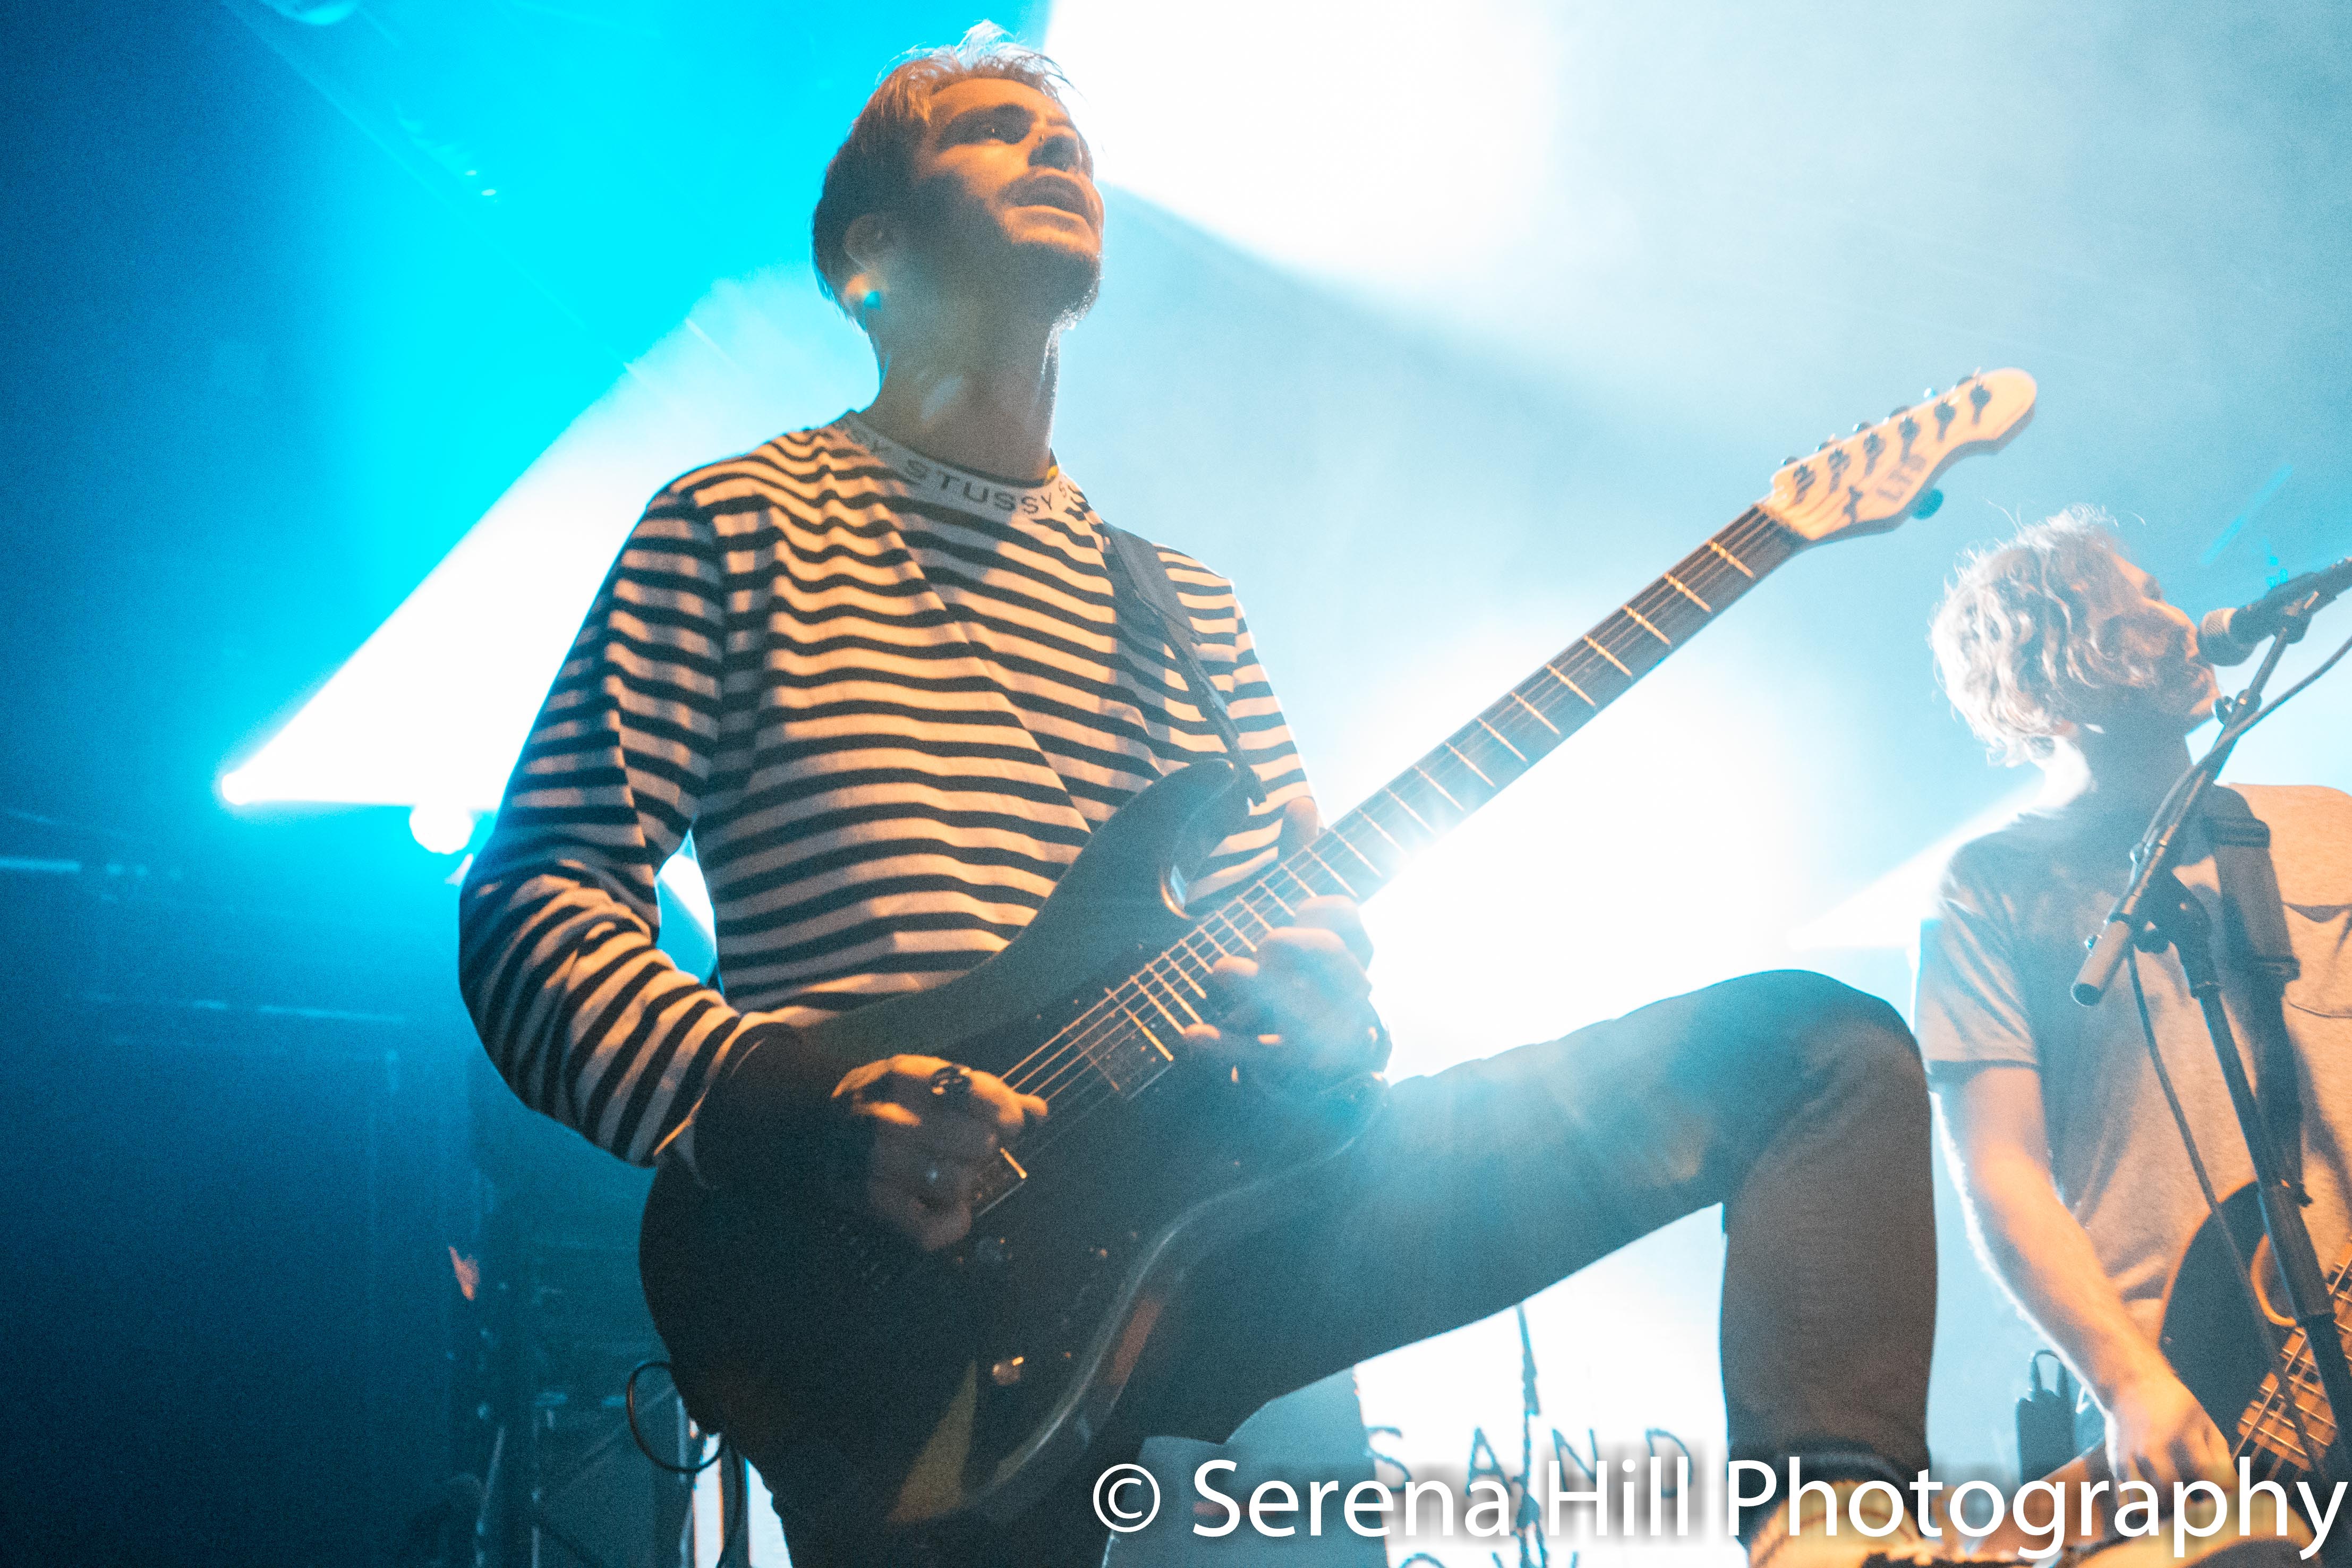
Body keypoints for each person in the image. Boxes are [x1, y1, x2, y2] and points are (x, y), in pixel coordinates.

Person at [459, 30, 1940, 1567]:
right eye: (990, 130)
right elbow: (534, 904)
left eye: (1068, 141)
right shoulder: (738, 527)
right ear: (869, 255)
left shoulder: (1182, 607)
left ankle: (1837, 1528)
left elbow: (1299, 989)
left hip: (1218, 1225)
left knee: (1816, 1056)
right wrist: (810, 1112)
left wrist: (1322, 1026)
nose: (1055, 149)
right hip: (891, 1297)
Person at [1918, 510, 2352, 1498]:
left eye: (2161, 594)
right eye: (2131, 610)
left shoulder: (2330, 827)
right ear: (2044, 677)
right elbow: (2002, 1168)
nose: (2178, 621)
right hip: (2193, 1405)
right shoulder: (1985, 888)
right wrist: (2128, 1383)